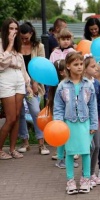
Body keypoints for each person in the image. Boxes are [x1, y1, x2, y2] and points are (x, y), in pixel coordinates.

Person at [53, 52, 98, 195]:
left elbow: (93, 106)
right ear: (68, 66)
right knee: (70, 153)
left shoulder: (88, 84)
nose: (79, 67)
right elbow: (58, 107)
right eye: (75, 64)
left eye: (81, 64)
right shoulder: (62, 86)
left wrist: (93, 125)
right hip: (68, 124)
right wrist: (59, 124)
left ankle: (85, 179)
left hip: (85, 123)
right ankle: (70, 180)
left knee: (85, 152)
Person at [0, 18, 31, 160]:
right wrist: (9, 44)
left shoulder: (18, 47)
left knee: (18, 116)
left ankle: (12, 149)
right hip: (5, 77)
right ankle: (0, 149)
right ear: (5, 30)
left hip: (19, 77)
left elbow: (22, 67)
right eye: (11, 29)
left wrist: (27, 83)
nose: (13, 32)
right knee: (10, 117)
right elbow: (1, 62)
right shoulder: (1, 43)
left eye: (16, 29)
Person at [17, 22, 50, 155]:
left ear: (31, 34)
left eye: (26, 37)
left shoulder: (38, 46)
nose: (24, 40)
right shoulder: (16, 46)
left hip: (33, 83)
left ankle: (41, 143)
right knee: (20, 113)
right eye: (22, 38)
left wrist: (35, 82)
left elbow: (40, 65)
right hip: (19, 82)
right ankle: (25, 141)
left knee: (36, 111)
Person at [83, 55, 100, 187]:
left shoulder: (96, 83)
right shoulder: (81, 83)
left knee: (97, 146)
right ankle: (86, 174)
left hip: (95, 120)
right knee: (90, 147)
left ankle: (91, 173)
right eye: (92, 66)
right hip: (84, 121)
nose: (96, 69)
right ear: (84, 68)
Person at [47, 60, 79, 168]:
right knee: (63, 139)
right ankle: (61, 159)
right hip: (63, 117)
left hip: (68, 116)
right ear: (61, 72)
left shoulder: (65, 84)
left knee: (68, 138)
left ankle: (65, 158)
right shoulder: (61, 86)